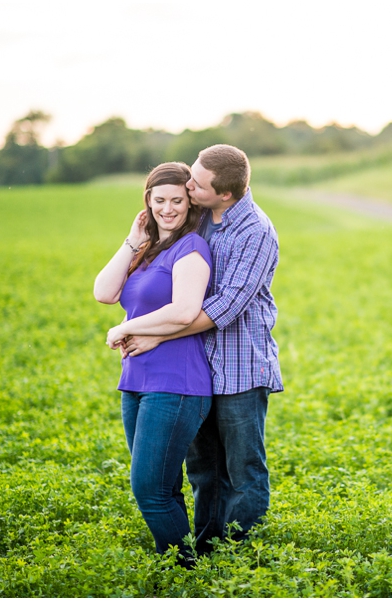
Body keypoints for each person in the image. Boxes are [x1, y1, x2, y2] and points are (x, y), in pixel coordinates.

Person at [120, 144, 283, 555]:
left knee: (242, 470)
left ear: (225, 194)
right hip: (197, 366)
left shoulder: (256, 232)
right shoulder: (203, 218)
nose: (188, 185)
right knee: (204, 470)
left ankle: (236, 555)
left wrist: (158, 335)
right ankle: (208, 550)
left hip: (240, 367)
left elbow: (225, 306)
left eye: (196, 183)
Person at [93, 162, 213, 566]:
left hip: (176, 383)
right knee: (163, 487)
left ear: (189, 202)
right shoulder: (145, 252)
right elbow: (104, 291)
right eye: (159, 200)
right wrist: (132, 239)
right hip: (136, 382)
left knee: (149, 489)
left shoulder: (191, 248)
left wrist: (123, 328)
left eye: (177, 200)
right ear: (147, 202)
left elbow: (184, 310)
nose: (168, 208)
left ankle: (183, 570)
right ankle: (178, 567)